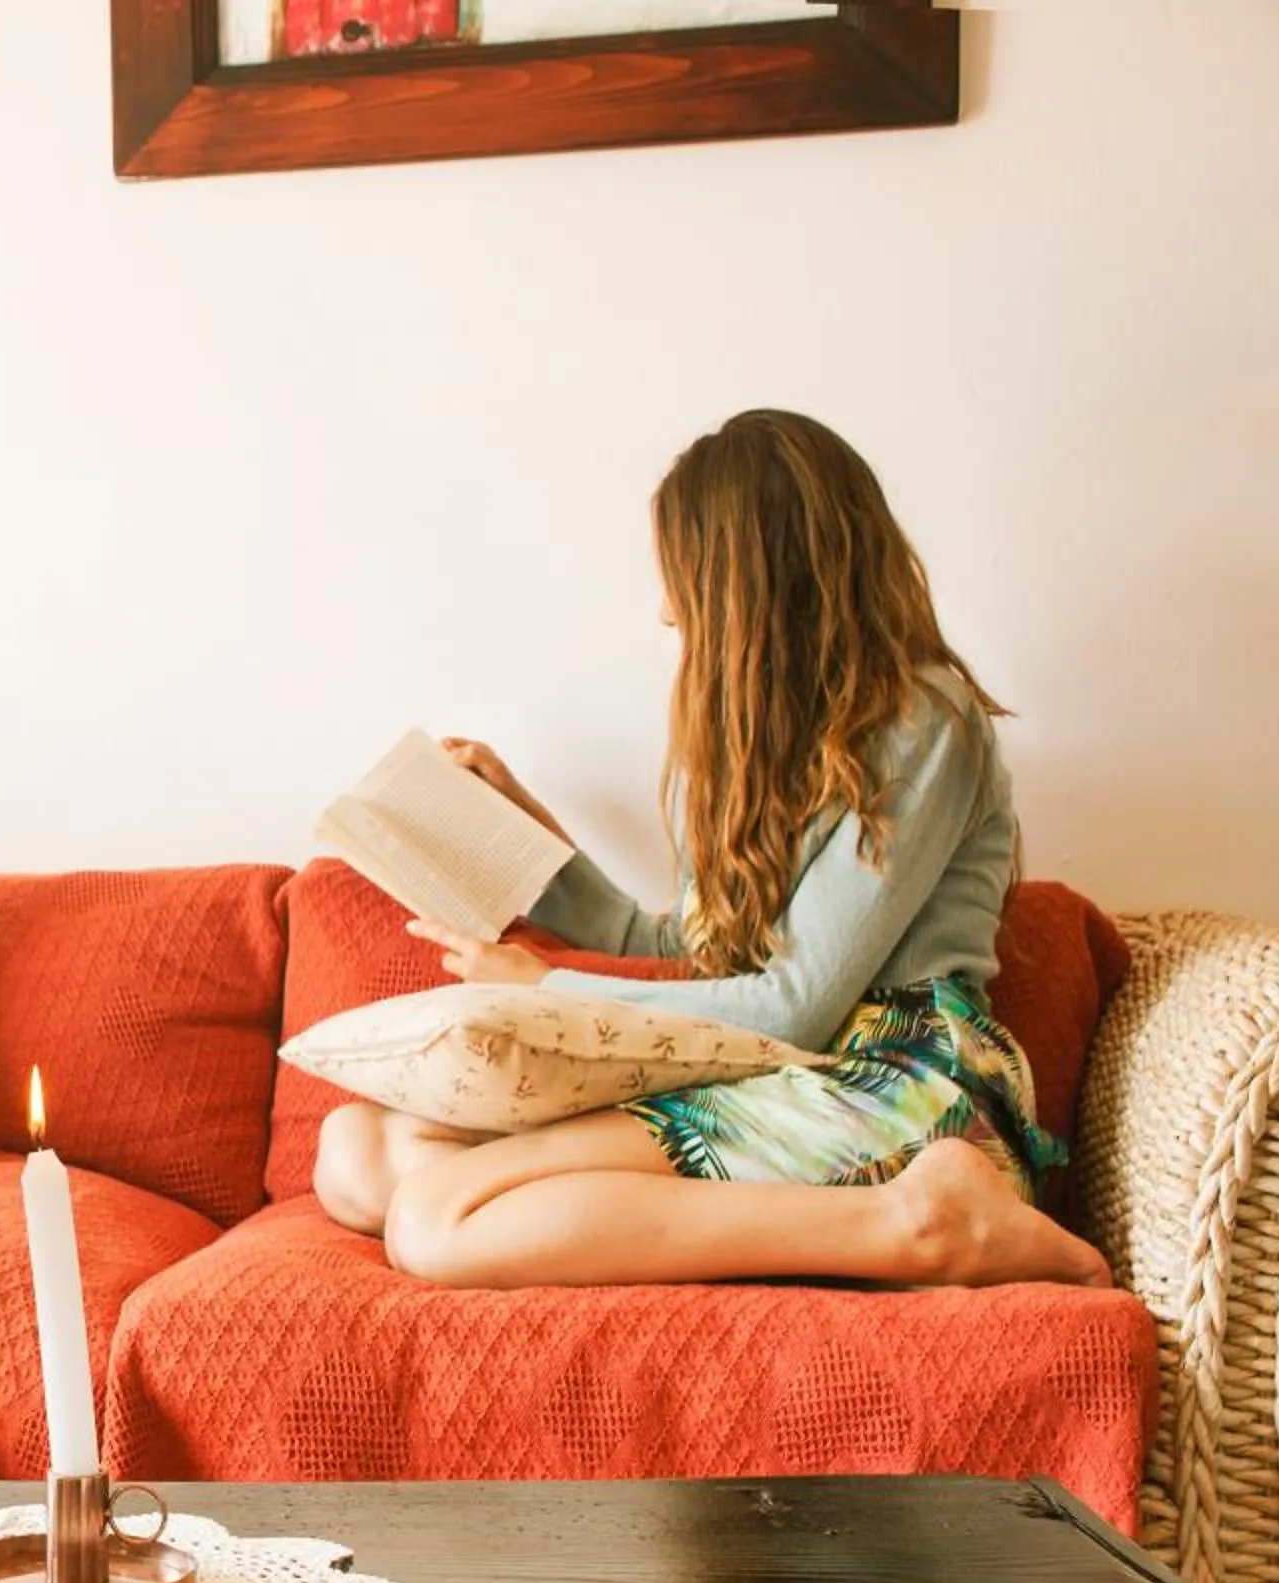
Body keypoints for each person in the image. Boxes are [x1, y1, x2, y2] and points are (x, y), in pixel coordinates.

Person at [313, 410, 1110, 1291]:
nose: (665, 610)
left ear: (750, 586)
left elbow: (797, 1004)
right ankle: (841, 1226)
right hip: (773, 1065)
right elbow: (680, 950)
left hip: (899, 1080)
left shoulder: (927, 720)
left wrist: (541, 986)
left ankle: (922, 1221)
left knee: (435, 1221)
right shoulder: (758, 752)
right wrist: (521, 830)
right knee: (356, 1155)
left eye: (683, 582)